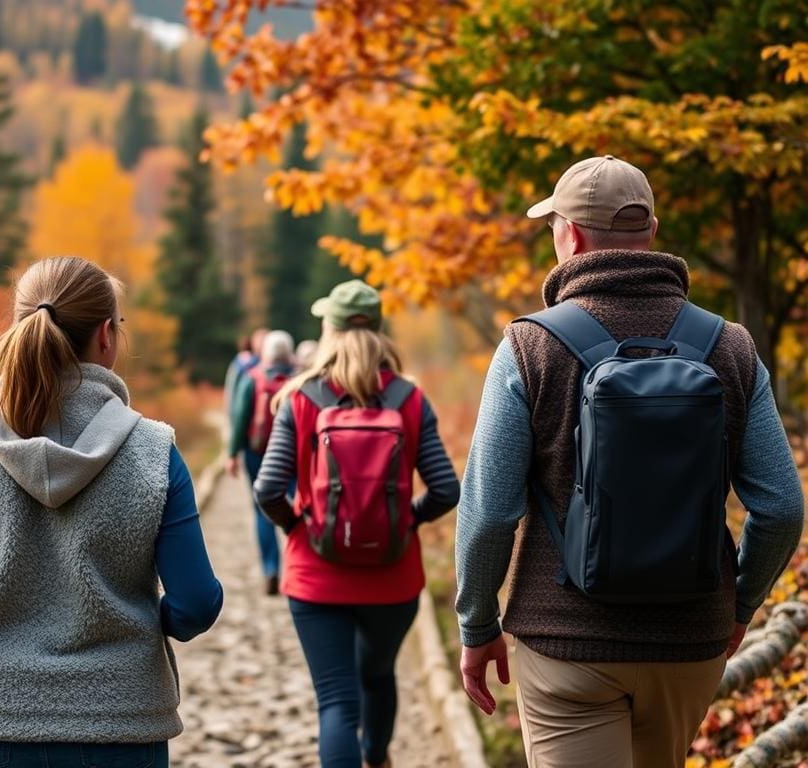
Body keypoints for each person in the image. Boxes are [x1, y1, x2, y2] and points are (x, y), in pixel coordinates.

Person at [454, 156, 804, 767]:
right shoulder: (730, 346)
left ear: (572, 236)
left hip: (567, 648)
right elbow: (780, 507)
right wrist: (738, 607)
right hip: (691, 642)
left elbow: (488, 512)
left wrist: (477, 624)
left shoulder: (529, 346)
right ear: (652, 231)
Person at [0, 257, 223, 768]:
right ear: (107, 336)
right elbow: (196, 603)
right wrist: (139, 627)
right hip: (122, 723)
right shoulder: (153, 452)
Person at [254, 280, 461, 768]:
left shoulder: (301, 397)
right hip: (392, 577)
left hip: (315, 576)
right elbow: (447, 489)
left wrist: (299, 528)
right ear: (380, 330)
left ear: (329, 329)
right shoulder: (409, 399)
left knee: (337, 703)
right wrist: (406, 521)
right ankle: (377, 756)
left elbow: (267, 490)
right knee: (379, 675)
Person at [226, 329, 296, 594]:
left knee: (262, 510)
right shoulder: (300, 380)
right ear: (289, 354)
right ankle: (296, 567)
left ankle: (271, 569)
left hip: (258, 453)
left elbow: (241, 417)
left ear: (265, 354)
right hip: (292, 456)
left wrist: (232, 454)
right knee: (297, 506)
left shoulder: (252, 379)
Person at [223, 327, 269, 416]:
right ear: (253, 342)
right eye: (260, 341)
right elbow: (231, 390)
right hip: (243, 412)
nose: (263, 344)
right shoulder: (242, 362)